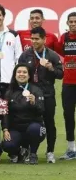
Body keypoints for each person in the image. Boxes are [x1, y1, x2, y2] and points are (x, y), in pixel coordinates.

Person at [18, 27, 62, 163]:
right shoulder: (25, 55)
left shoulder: (52, 55)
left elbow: (61, 74)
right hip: (30, 94)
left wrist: (51, 68)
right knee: (28, 122)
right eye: (32, 39)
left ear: (44, 39)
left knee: (49, 123)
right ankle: (28, 150)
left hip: (47, 95)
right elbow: (19, 74)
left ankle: (50, 152)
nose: (34, 41)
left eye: (37, 39)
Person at [1, 64, 45, 165]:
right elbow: (5, 113)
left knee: (34, 129)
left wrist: (34, 103)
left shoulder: (36, 90)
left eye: (24, 72)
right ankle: (21, 152)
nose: (22, 74)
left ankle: (33, 154)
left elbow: (42, 110)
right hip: (16, 129)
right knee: (7, 145)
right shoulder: (9, 92)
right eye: (19, 72)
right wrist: (5, 129)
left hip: (35, 127)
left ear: (29, 76)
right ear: (15, 75)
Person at [55, 12, 76, 160]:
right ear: (67, 23)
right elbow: (58, 51)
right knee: (68, 115)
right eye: (71, 22)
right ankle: (71, 148)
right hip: (68, 84)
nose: (73, 24)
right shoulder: (64, 38)